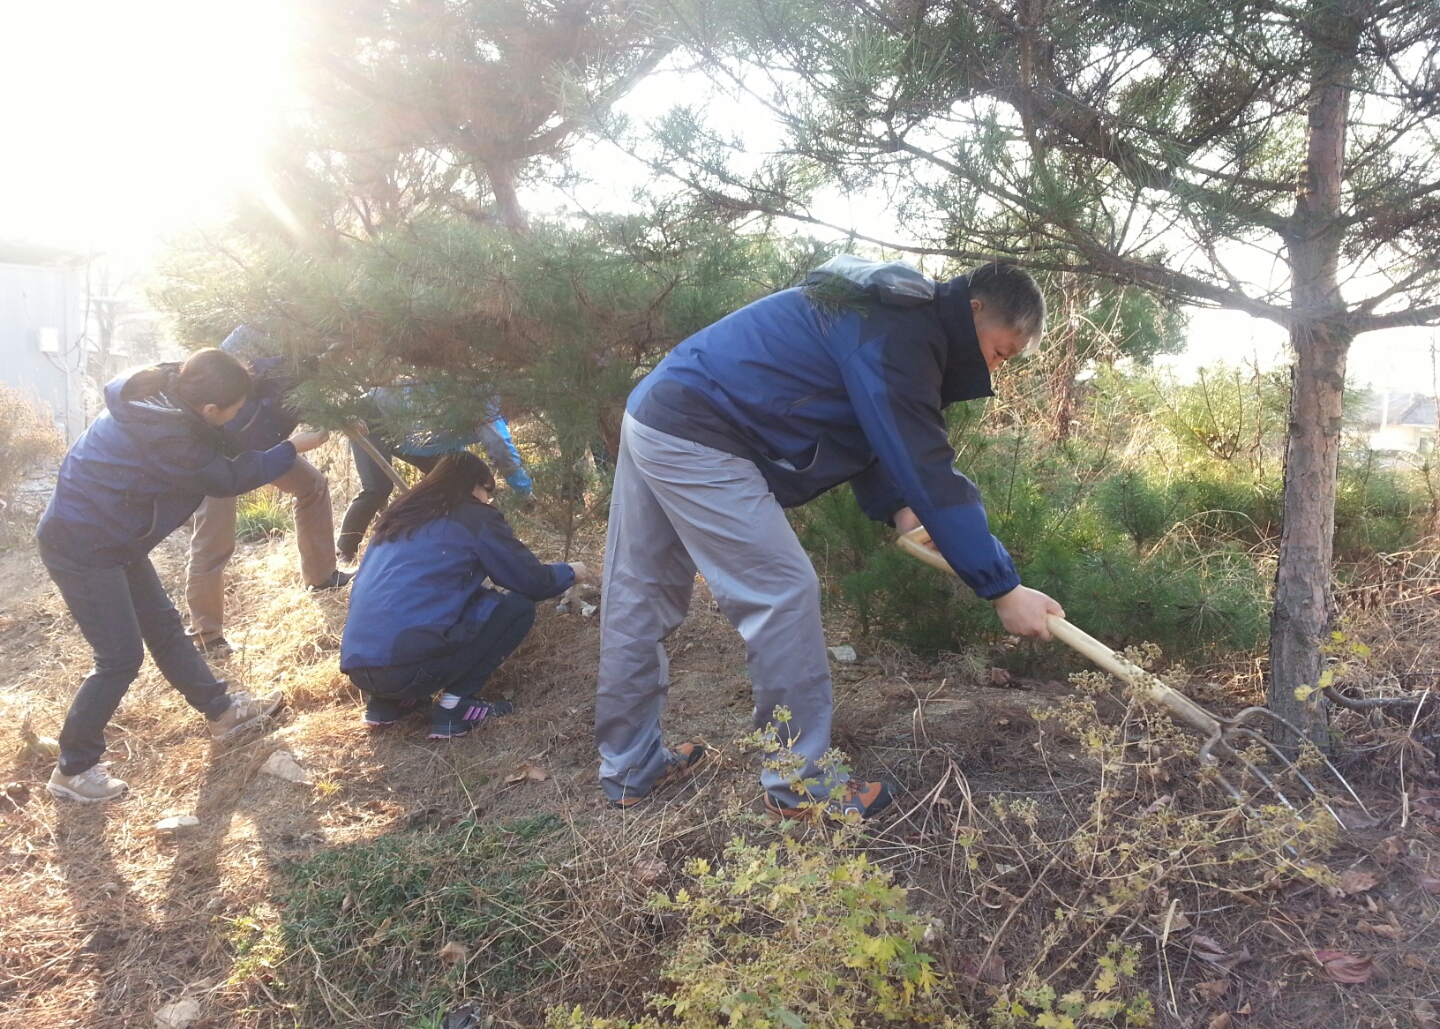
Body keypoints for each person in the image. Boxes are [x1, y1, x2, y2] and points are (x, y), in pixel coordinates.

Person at [596, 255, 1066, 816]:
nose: (993, 367)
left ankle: (630, 767)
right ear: (974, 308)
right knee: (784, 592)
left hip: (659, 410)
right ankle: (801, 785)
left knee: (638, 595)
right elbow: (926, 464)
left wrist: (898, 508)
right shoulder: (905, 332)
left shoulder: (890, 317)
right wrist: (1004, 589)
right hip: (703, 432)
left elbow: (864, 425)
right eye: (999, 351)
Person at [36, 349, 330, 803]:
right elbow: (225, 477)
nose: (233, 417)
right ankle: (73, 767)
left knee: (166, 629)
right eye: (230, 411)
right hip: (82, 545)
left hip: (113, 534)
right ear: (209, 409)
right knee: (119, 658)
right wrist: (293, 447)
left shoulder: (170, 388)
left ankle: (222, 712)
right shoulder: (167, 434)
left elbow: (223, 439)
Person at [339, 452, 585, 738]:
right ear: (474, 487)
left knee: (460, 601)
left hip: (361, 670)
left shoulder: (397, 517)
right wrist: (569, 571)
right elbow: (530, 580)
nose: (488, 501)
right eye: (488, 493)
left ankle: (387, 704)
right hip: (409, 669)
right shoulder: (473, 516)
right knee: (517, 607)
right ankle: (456, 705)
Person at [184, 326, 349, 656]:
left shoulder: (312, 368)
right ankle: (207, 635)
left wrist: (342, 418)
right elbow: (266, 391)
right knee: (214, 543)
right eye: (340, 351)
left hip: (265, 446)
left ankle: (321, 576)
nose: (345, 358)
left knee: (312, 485)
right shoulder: (264, 342)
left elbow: (307, 407)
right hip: (219, 457)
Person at [336, 386, 534, 565]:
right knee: (378, 488)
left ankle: (441, 538)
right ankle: (345, 550)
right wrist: (524, 491)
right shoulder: (487, 404)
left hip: (417, 435)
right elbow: (500, 448)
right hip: (374, 416)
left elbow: (451, 438)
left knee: (458, 479)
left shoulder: (486, 396)